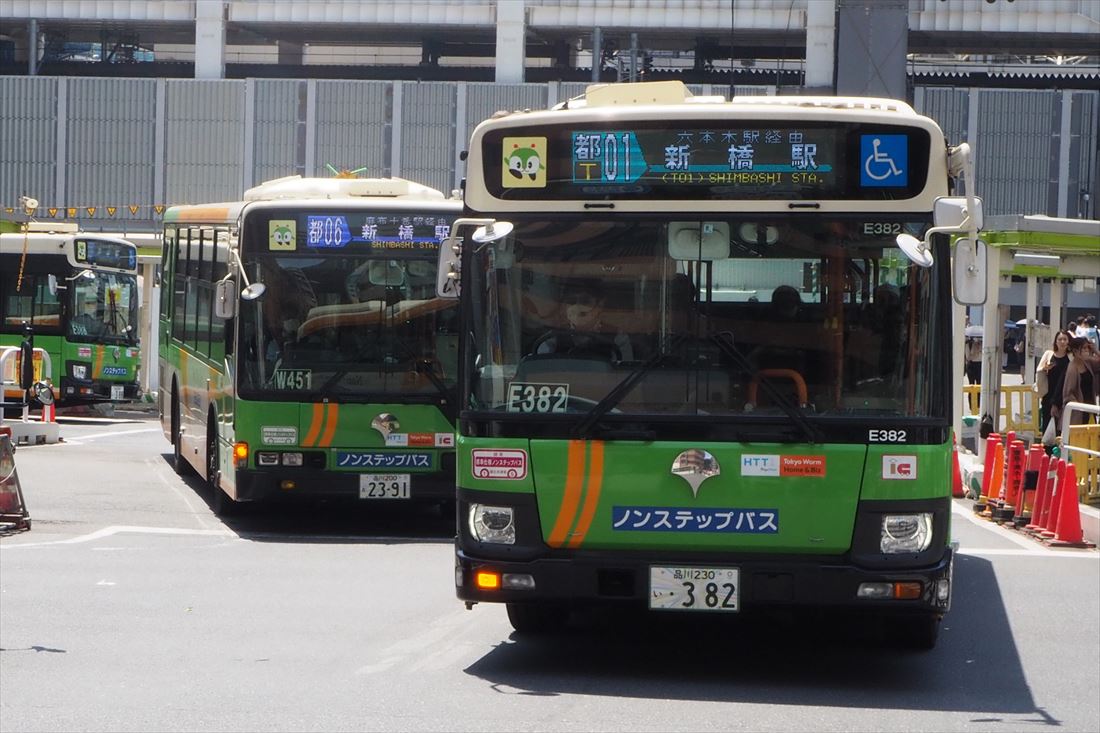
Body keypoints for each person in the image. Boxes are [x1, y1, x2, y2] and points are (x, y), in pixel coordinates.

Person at [534, 285, 634, 362]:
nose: (577, 306)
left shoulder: (618, 336)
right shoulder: (552, 338)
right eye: (571, 301)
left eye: (585, 301)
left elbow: (623, 372)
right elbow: (541, 372)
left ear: (600, 305)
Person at [1036, 329, 1072, 437]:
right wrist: (1045, 368)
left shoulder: (1071, 357)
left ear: (1068, 341)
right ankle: (1047, 451)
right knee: (1047, 426)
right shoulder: (1048, 354)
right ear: (1055, 342)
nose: (1062, 342)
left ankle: (1059, 452)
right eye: (1060, 339)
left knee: (1061, 428)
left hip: (1064, 396)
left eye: (1065, 339)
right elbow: (1039, 371)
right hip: (1048, 394)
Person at [1061, 336, 1100, 426]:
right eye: (1084, 348)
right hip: (1079, 412)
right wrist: (1079, 406)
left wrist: (1094, 350)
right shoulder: (1072, 368)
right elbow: (1068, 393)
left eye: (1087, 348)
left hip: (1090, 408)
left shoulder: (1087, 363)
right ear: (1076, 351)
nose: (1087, 351)